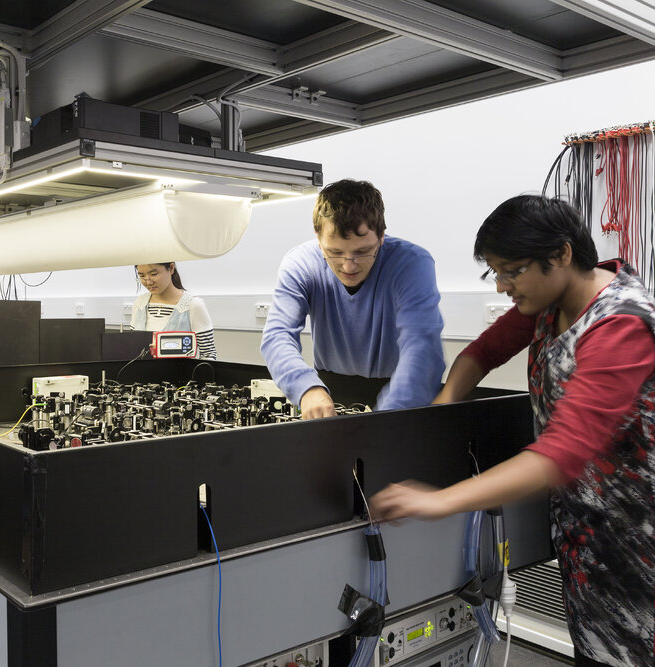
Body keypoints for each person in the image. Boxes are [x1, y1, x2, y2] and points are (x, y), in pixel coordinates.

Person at [370, 195, 655, 666]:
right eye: (494, 272)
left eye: (512, 271)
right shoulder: (550, 302)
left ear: (561, 254)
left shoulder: (621, 324)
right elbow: (480, 353)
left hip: (636, 545)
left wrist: (439, 500)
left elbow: (560, 452)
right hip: (586, 537)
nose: (502, 286)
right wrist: (441, 410)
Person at [260, 179, 445, 417]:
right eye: (335, 252)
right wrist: (307, 388)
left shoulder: (411, 264)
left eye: (362, 251)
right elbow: (278, 335)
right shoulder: (300, 264)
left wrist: (385, 420)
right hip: (328, 390)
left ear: (381, 237)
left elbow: (422, 348)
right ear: (318, 238)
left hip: (402, 393)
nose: (349, 266)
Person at [131, 262, 217, 360]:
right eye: (142, 276)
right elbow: (132, 349)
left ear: (171, 268)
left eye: (154, 274)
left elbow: (209, 355)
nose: (148, 282)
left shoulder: (193, 305)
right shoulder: (140, 303)